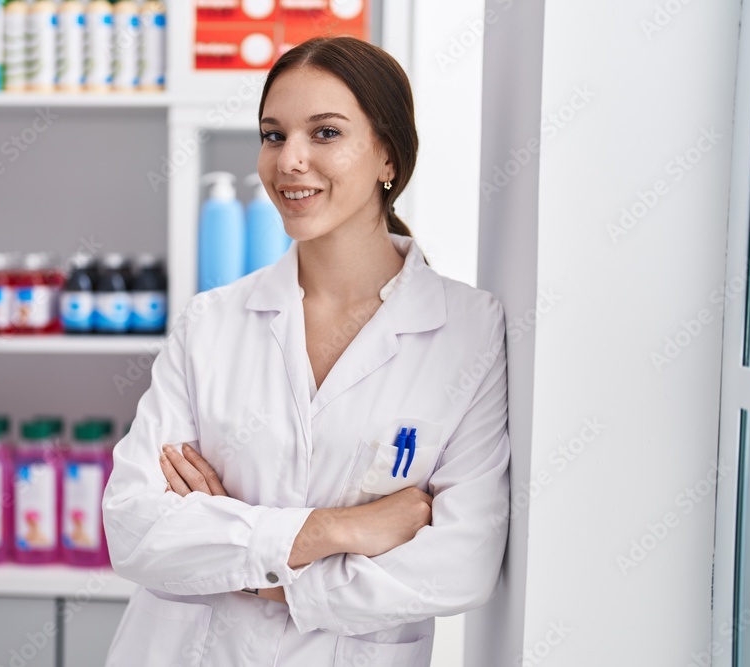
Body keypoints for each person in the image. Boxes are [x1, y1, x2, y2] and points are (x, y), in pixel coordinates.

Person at [103, 36, 510, 666]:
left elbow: (459, 564)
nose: (289, 160)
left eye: (324, 133)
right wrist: (334, 530)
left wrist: (244, 558)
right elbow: (134, 528)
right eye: (273, 135)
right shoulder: (211, 323)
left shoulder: (468, 330)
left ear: (388, 156)